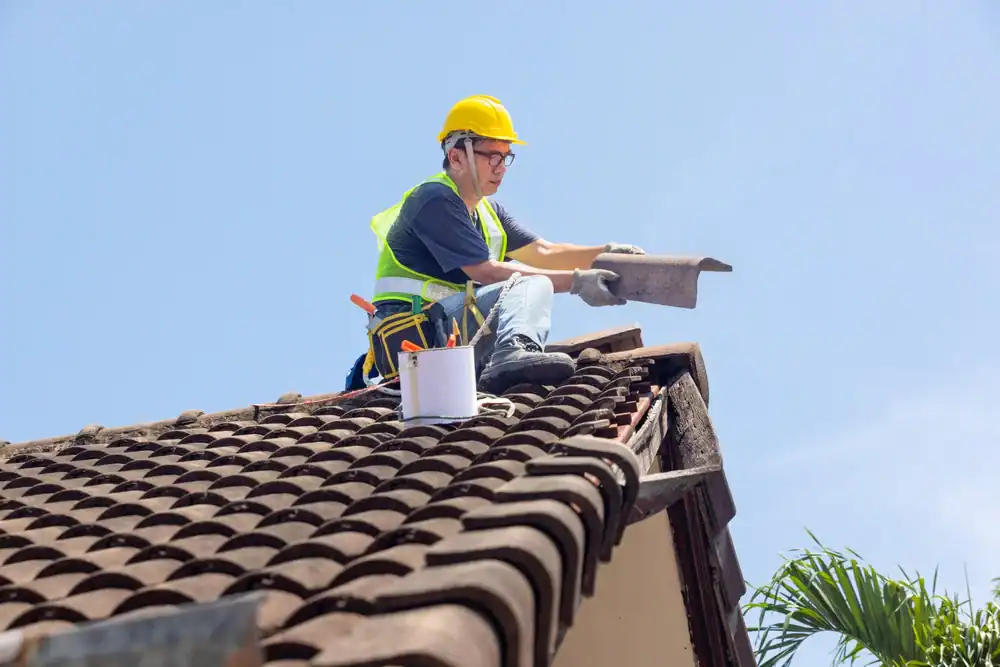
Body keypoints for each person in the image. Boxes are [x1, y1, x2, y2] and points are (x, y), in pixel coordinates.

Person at [363, 94, 646, 395]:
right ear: (457, 156)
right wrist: (577, 282)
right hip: (417, 340)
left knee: (526, 278)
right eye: (492, 156)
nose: (501, 167)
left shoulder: (488, 213)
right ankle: (512, 353)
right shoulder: (434, 199)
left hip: (448, 334)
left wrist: (605, 254)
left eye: (506, 157)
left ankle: (510, 357)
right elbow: (484, 272)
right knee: (526, 282)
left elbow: (544, 252)